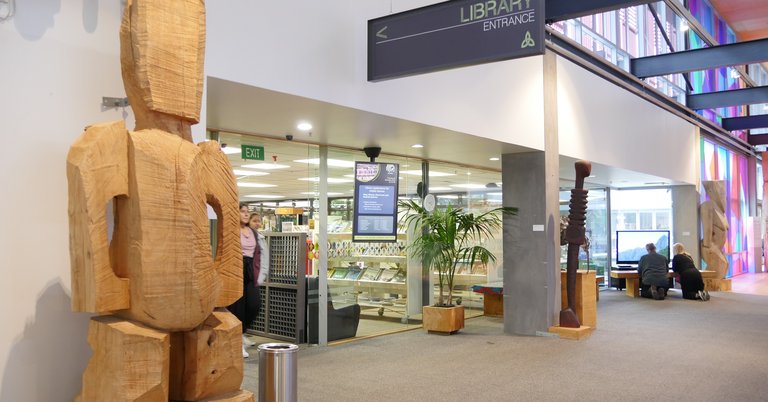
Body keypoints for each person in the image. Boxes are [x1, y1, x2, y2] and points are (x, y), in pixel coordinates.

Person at [228, 204, 269, 358]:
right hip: (235, 269)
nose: (245, 215)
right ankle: (238, 342)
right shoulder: (231, 230)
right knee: (237, 307)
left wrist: (261, 274)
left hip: (251, 270)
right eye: (242, 212)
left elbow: (261, 254)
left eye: (247, 212)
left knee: (254, 304)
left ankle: (242, 332)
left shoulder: (253, 233)